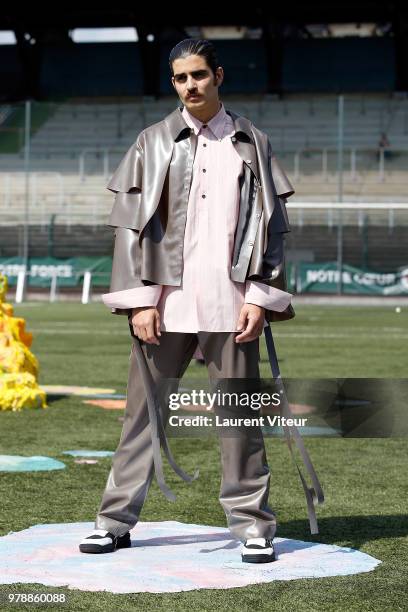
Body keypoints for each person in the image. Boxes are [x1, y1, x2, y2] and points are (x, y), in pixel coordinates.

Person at [79, 38, 298, 563]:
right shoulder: (152, 141)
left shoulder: (251, 141)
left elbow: (273, 228)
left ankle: (252, 524)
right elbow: (130, 231)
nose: (190, 86)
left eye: (198, 75)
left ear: (218, 75)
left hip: (233, 305)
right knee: (141, 416)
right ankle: (114, 521)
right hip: (165, 306)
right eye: (180, 78)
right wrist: (139, 303)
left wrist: (260, 297)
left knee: (240, 418)